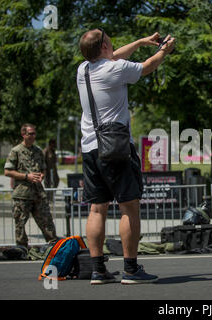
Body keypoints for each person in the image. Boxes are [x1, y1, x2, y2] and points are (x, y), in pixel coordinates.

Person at [77, 28, 175, 285]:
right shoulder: (114, 69)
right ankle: (130, 269)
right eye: (107, 39)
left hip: (89, 148)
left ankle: (98, 270)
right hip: (116, 148)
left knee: (97, 208)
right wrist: (164, 49)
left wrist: (142, 40)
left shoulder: (83, 70)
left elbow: (112, 57)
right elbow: (147, 67)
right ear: (104, 47)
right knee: (129, 207)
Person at [4, 124, 58, 248]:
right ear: (23, 134)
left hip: (38, 193)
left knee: (47, 221)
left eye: (34, 133)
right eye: (30, 134)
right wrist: (26, 176)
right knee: (20, 224)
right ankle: (22, 248)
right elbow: (7, 171)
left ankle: (54, 247)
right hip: (22, 194)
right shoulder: (16, 151)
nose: (33, 136)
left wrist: (42, 175)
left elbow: (43, 169)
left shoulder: (38, 151)